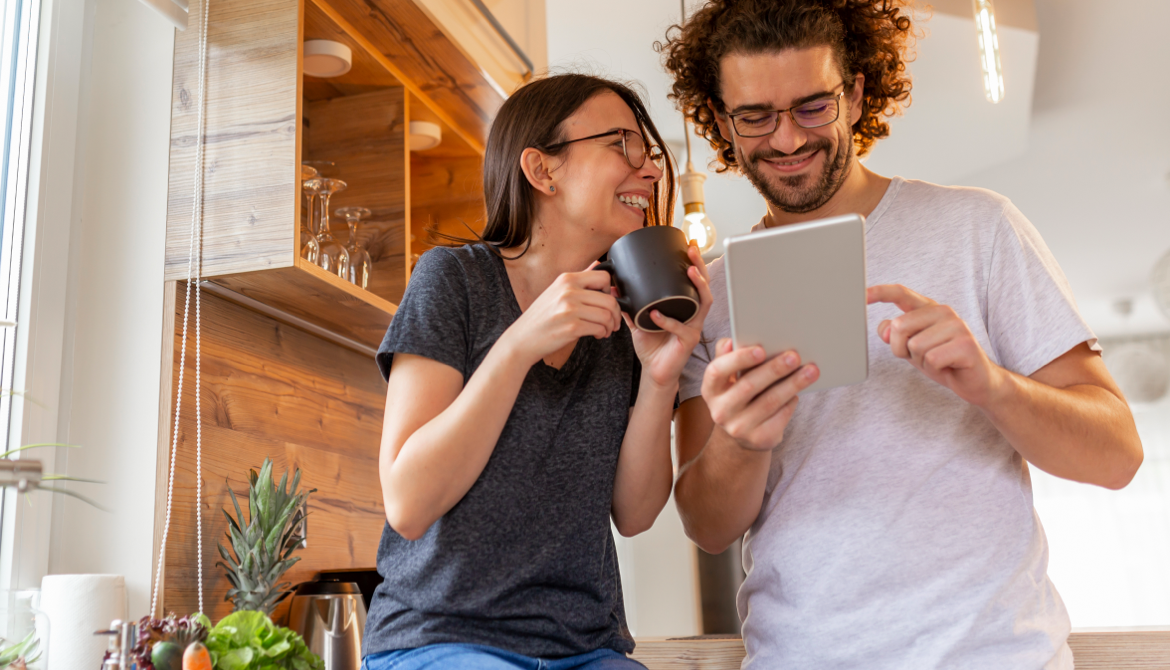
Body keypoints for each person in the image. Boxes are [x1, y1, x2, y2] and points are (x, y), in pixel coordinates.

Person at [659, 1, 1143, 667]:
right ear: (721, 120)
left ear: (855, 94)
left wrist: (993, 387)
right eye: (755, 116)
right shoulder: (709, 298)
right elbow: (708, 527)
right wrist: (742, 442)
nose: (788, 140)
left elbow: (1117, 456)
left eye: (811, 107)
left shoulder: (980, 229)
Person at [361, 73, 714, 670]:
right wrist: (518, 344)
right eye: (621, 144)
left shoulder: (628, 313)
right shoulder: (455, 281)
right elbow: (409, 501)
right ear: (542, 170)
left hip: (587, 649)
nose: (650, 170)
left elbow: (635, 514)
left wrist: (658, 378)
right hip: (443, 639)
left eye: (648, 153)